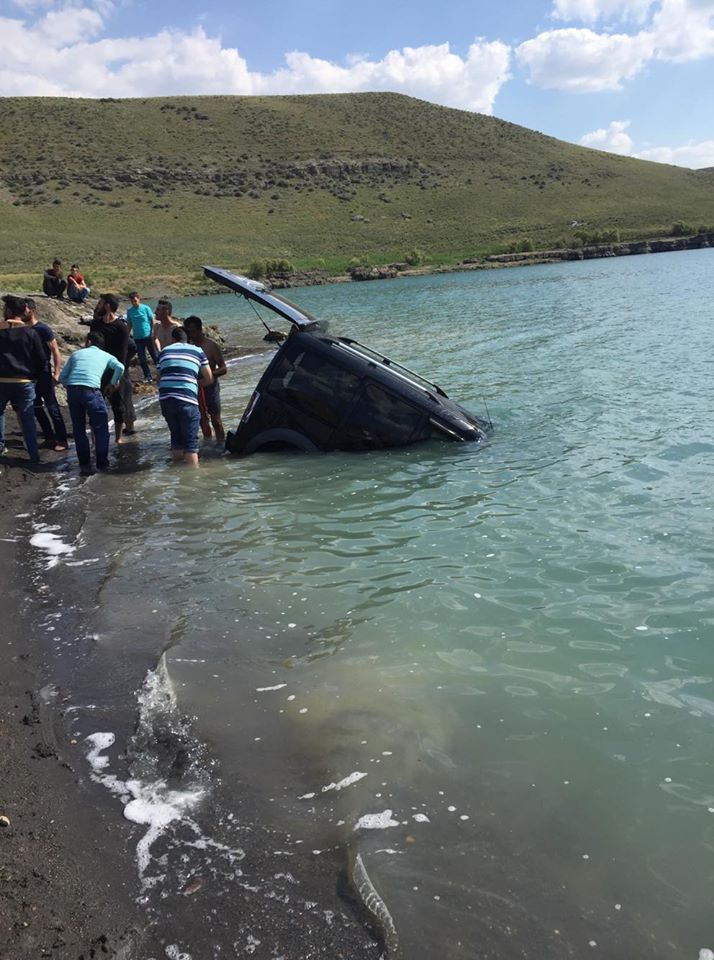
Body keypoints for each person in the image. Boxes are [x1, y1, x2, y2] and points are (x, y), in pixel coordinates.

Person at [59, 331, 124, 476]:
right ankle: (102, 463)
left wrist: (70, 386)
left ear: (88, 342)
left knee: (78, 428)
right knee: (101, 427)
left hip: (73, 391)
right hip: (92, 391)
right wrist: (112, 384)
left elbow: (62, 377)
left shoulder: (76, 354)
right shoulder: (107, 356)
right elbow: (120, 367)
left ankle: (84, 464)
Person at [157, 327, 213, 466]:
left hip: (166, 399)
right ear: (187, 339)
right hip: (186, 399)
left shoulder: (164, 351)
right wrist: (195, 383)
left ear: (173, 339)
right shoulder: (197, 351)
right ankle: (192, 479)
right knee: (190, 444)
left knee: (176, 439)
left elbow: (158, 379)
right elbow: (209, 378)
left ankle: (178, 473)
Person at [0, 295, 46, 461]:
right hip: (24, 381)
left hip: (2, 380)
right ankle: (33, 454)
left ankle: (0, 447)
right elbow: (41, 359)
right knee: (27, 417)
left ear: (9, 311)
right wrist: (35, 376)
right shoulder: (31, 333)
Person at [23, 297, 69, 451]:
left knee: (52, 407)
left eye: (25, 309)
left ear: (32, 310)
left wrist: (56, 372)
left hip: (44, 373)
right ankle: (49, 437)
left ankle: (62, 440)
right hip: (30, 375)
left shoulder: (43, 329)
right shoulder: (22, 329)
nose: (23, 312)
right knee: (36, 408)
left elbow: (55, 350)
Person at [90, 294, 135, 442]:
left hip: (116, 370)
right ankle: (96, 438)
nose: (98, 305)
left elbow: (123, 353)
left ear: (108, 306)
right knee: (96, 405)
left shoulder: (121, 327)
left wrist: (117, 378)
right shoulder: (96, 325)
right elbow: (91, 346)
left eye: (101, 302)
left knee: (118, 404)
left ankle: (118, 438)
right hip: (98, 370)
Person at [184, 315, 227, 441]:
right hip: (194, 386)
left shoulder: (211, 346)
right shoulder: (187, 346)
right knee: (200, 419)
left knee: (216, 419)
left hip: (210, 385)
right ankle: (208, 443)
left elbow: (223, 368)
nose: (190, 335)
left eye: (193, 331)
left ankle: (221, 445)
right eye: (188, 332)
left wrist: (209, 375)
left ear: (199, 329)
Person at [126, 292, 157, 382]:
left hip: (148, 336)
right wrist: (126, 335)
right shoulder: (130, 311)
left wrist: (153, 332)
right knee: (142, 358)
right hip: (137, 338)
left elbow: (152, 320)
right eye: (132, 301)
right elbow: (129, 324)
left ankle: (162, 373)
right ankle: (148, 376)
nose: (134, 303)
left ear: (139, 299)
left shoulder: (146, 308)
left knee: (154, 356)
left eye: (135, 301)